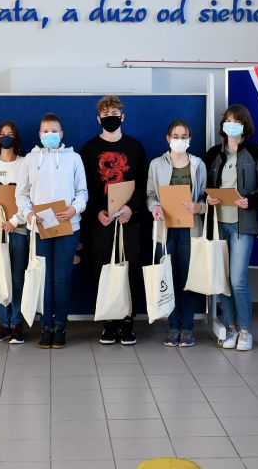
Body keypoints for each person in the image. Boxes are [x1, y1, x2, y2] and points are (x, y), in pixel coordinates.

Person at [80, 96, 148, 345]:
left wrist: (131, 208)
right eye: (106, 114)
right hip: (101, 222)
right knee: (103, 272)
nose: (111, 117)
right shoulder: (88, 149)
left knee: (130, 271)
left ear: (123, 117)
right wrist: (96, 212)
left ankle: (128, 322)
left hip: (130, 221)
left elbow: (144, 183)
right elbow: (83, 187)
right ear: (98, 119)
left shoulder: (135, 147)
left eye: (115, 113)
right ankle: (108, 323)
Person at [17, 113, 88, 349]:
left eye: (54, 131)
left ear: (62, 134)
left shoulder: (74, 158)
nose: (50, 135)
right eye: (46, 131)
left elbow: (82, 191)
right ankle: (46, 326)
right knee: (44, 279)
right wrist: (28, 214)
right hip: (39, 228)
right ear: (39, 134)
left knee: (62, 278)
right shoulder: (30, 159)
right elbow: (21, 193)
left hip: (68, 226)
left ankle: (60, 327)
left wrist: (74, 209)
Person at [203, 105, 258, 351]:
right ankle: (230, 328)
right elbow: (203, 186)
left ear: (244, 125)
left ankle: (246, 331)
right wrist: (207, 198)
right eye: (228, 120)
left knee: (238, 279)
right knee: (222, 279)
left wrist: (250, 200)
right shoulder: (213, 153)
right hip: (218, 223)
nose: (231, 125)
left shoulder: (255, 151)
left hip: (243, 224)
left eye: (236, 121)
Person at [146, 120, 207, 348]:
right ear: (168, 138)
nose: (179, 140)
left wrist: (198, 207)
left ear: (190, 139)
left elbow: (205, 197)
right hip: (165, 230)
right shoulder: (156, 164)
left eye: (184, 136)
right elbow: (150, 195)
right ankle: (173, 327)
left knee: (187, 280)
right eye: (175, 136)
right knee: (167, 278)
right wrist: (155, 207)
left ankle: (187, 328)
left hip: (190, 230)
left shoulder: (198, 164)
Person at [0, 121, 28, 344]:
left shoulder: (25, 163)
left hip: (18, 228)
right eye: (2, 134)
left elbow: (30, 195)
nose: (6, 137)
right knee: (0, 277)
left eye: (10, 134)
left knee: (17, 277)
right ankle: (4, 323)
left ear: (16, 138)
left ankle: (17, 323)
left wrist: (15, 220)